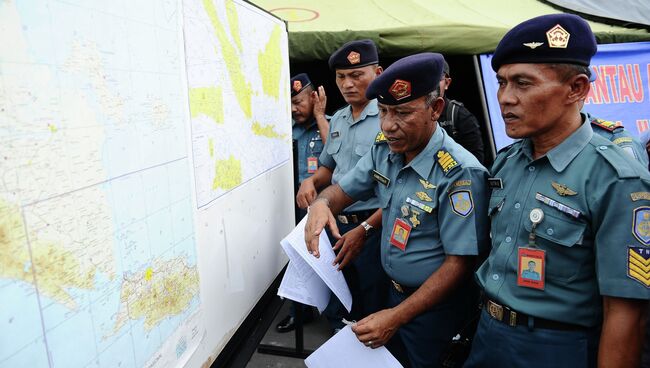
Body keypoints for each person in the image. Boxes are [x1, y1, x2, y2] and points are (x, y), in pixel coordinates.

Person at [465, 13, 650, 368]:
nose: (506, 98)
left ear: (577, 89)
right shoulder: (508, 161)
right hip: (489, 336)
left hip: (556, 348)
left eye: (522, 83)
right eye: (501, 82)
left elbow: (626, 313)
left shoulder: (615, 178)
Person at [304, 52, 490, 367]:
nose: (390, 125)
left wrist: (396, 317)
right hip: (393, 297)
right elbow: (343, 190)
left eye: (402, 113)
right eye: (384, 112)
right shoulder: (386, 152)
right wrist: (322, 204)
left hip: (434, 312)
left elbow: (459, 264)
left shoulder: (458, 172)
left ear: (436, 109)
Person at [295, 39, 387, 331]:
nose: (347, 84)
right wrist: (310, 180)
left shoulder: (389, 118)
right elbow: (328, 167)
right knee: (341, 305)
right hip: (336, 226)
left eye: (357, 75)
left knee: (372, 306)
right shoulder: (339, 120)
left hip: (373, 229)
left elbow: (398, 190)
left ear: (378, 73)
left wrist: (366, 230)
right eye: (341, 77)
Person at [276, 72, 329, 333]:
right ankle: (299, 312)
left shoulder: (330, 124)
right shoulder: (287, 131)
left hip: (326, 206)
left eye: (299, 102)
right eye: (290, 104)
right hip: (294, 207)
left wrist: (320, 116)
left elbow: (336, 153)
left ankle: (336, 318)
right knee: (297, 260)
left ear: (314, 97)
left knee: (329, 261)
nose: (294, 109)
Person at [438, 59, 486, 164]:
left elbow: (475, 163)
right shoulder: (412, 112)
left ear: (447, 82)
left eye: (437, 78)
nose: (431, 84)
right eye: (426, 78)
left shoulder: (459, 115)